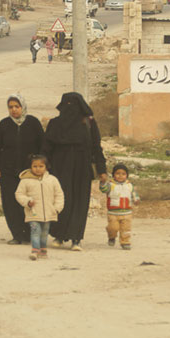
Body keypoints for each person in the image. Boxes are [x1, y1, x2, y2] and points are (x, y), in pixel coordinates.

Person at [42, 92, 107, 251]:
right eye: (67, 104)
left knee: (80, 202)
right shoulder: (55, 124)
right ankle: (59, 236)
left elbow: (96, 147)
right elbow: (46, 149)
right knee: (62, 200)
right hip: (60, 167)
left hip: (82, 167)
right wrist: (42, 168)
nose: (70, 108)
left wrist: (102, 170)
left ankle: (76, 239)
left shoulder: (88, 123)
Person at [0, 94, 44, 245]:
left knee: (30, 202)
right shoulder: (4, 124)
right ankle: (17, 234)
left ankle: (32, 234)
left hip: (30, 172)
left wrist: (40, 166)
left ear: (23, 107)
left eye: (16, 106)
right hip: (7, 171)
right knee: (10, 203)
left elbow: (43, 146)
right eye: (10, 107)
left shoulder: (33, 123)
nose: (14, 110)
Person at [15, 154, 64, 260]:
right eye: (35, 166)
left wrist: (56, 208)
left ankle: (43, 249)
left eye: (41, 166)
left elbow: (59, 195)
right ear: (30, 167)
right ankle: (35, 250)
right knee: (35, 230)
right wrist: (27, 202)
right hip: (33, 212)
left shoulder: (52, 180)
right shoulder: (25, 180)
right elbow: (19, 194)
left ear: (46, 167)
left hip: (49, 213)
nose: (38, 169)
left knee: (45, 233)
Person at [99, 163, 139, 250]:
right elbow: (103, 189)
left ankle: (125, 242)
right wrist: (102, 182)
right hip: (113, 213)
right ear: (113, 175)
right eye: (118, 173)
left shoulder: (129, 185)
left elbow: (134, 194)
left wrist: (136, 199)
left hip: (127, 212)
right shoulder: (110, 185)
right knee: (113, 228)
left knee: (126, 229)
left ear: (127, 175)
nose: (120, 176)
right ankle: (111, 236)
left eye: (123, 174)